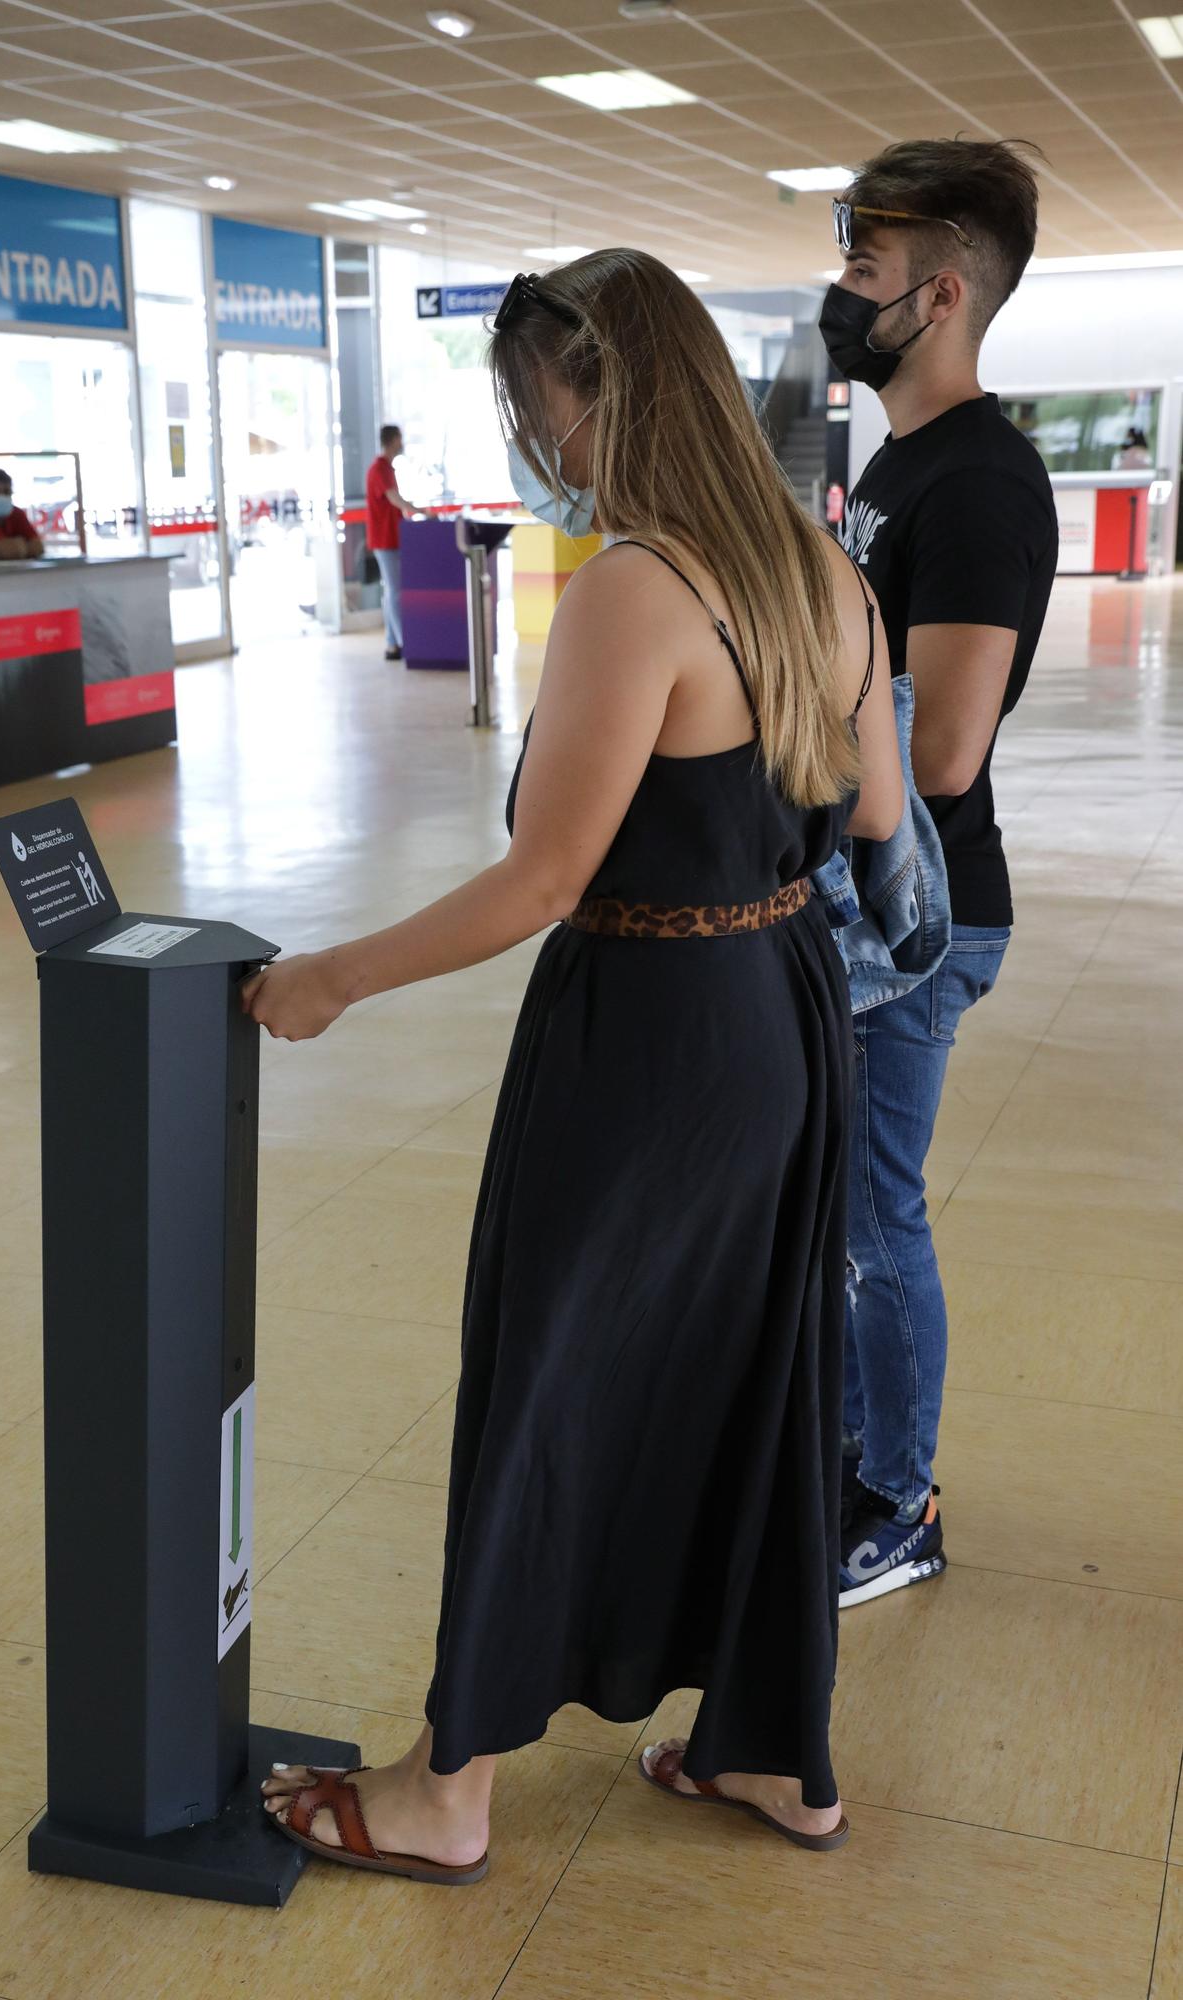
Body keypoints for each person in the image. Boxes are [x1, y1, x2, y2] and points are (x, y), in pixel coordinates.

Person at [246, 250, 902, 1885]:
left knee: (547, 1376)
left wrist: (332, 978)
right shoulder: (823, 578)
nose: (532, 444)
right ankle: (772, 1754)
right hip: (781, 1019)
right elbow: (881, 820)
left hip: (647, 1032)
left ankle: (446, 1789)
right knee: (760, 1379)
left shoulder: (638, 583)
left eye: (531, 408)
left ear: (597, 393)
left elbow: (546, 879)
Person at [819, 139, 1058, 1608]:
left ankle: (896, 1502)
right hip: (856, 908)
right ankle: (855, 1452)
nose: (838, 297)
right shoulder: (897, 464)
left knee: (870, 1217)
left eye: (862, 272)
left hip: (917, 923)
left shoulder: (980, 482)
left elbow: (946, 749)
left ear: (941, 293)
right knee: (840, 1213)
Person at [365, 423, 417, 660]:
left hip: (391, 538)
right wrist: (416, 510)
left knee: (391, 591)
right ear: (393, 439)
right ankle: (404, 642)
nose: (402, 442)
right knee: (395, 592)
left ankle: (392, 643)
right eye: (399, 438)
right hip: (384, 540)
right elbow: (393, 498)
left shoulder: (387, 468)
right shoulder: (379, 469)